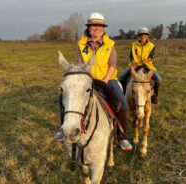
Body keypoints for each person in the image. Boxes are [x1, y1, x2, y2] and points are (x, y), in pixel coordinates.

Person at [53, 12, 132, 151]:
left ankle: (122, 136)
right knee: (63, 97)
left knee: (122, 103)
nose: (97, 28)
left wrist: (105, 80)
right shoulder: (81, 44)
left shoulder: (110, 45)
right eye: (94, 25)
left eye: (100, 26)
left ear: (103, 28)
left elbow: (112, 64)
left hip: (107, 78)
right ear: (89, 28)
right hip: (87, 79)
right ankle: (63, 129)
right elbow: (80, 63)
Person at [119, 27, 161, 104]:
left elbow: (151, 56)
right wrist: (133, 63)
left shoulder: (151, 46)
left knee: (158, 79)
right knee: (121, 77)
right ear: (138, 36)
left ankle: (155, 96)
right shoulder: (133, 45)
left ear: (147, 36)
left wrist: (146, 61)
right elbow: (131, 55)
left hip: (147, 66)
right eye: (141, 35)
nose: (143, 37)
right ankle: (124, 94)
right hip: (135, 65)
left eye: (145, 35)